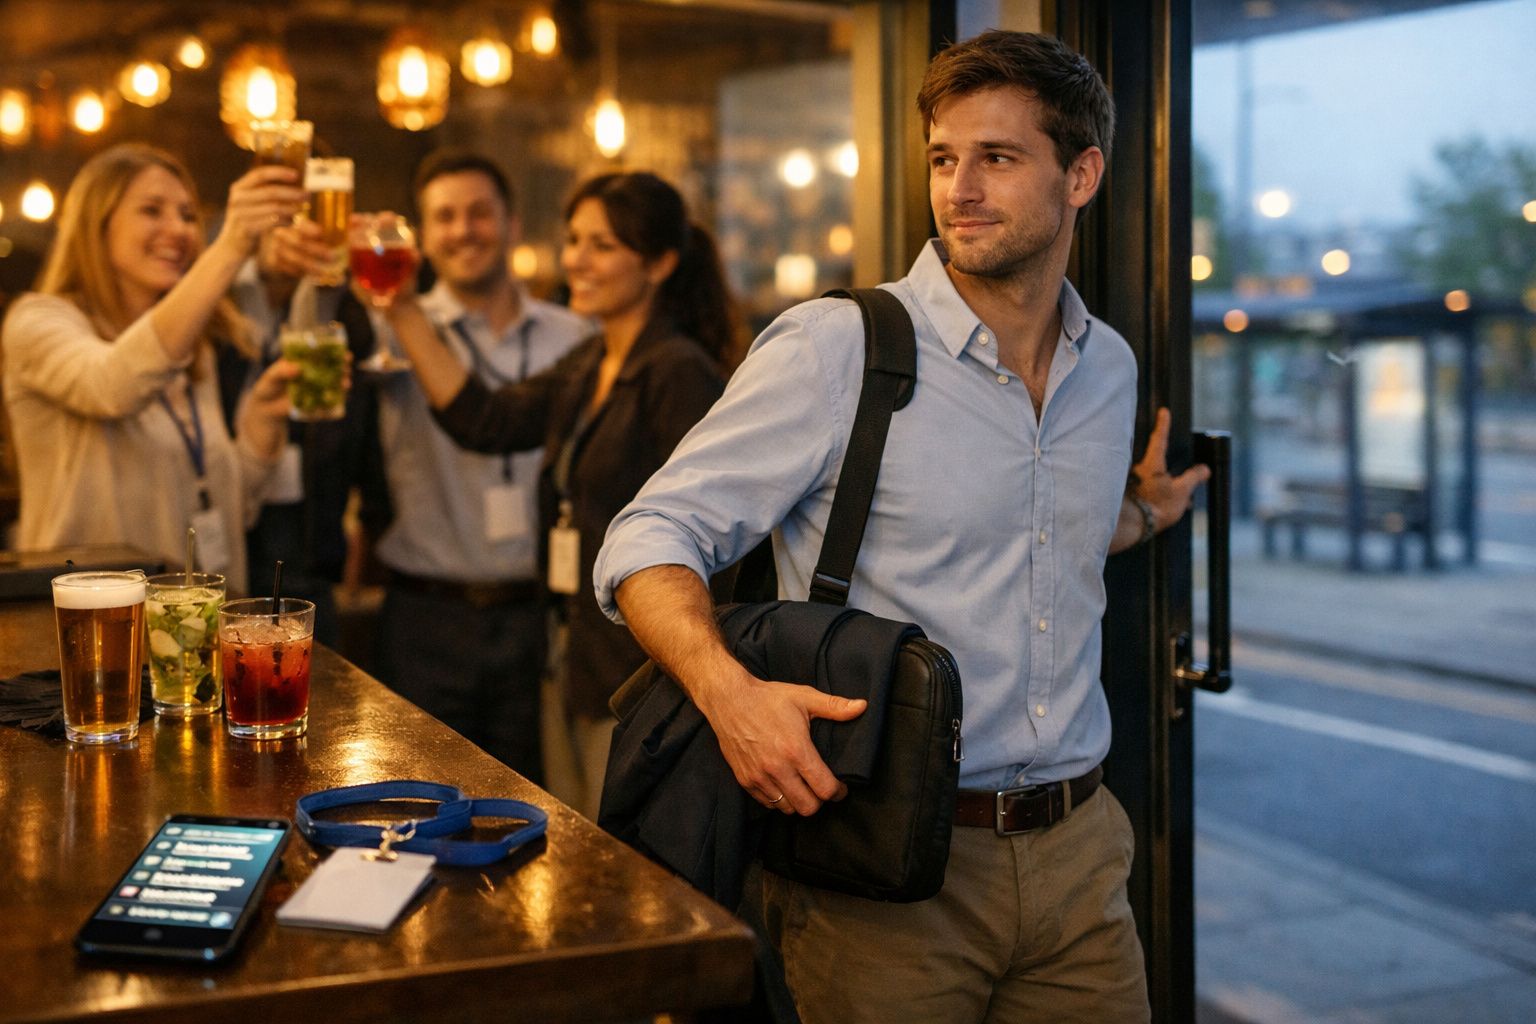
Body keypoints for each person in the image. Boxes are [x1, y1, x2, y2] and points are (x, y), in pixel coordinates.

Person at [593, 31, 1209, 1023]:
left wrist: (1142, 508)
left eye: (997, 158)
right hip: (881, 870)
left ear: (1082, 174)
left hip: (1080, 855)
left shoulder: (1110, 370)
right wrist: (730, 695)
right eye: (943, 159)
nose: (959, 187)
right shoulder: (840, 346)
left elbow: (1047, 542)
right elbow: (648, 538)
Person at [376, 171, 736, 817]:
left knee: (623, 858)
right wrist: (402, 308)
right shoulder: (591, 359)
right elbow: (485, 422)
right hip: (572, 658)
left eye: (601, 245)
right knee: (573, 836)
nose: (576, 260)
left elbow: (713, 537)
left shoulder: (676, 371)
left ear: (658, 263)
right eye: (573, 240)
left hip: (639, 667)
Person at [358, 150, 589, 782]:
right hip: (425, 619)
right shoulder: (389, 334)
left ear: (513, 225)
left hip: (536, 620)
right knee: (418, 806)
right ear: (424, 237)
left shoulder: (575, 338)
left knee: (532, 809)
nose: (464, 230)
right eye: (445, 217)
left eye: (480, 213)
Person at [1, 143, 305, 595]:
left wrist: (261, 421)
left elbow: (226, 506)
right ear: (96, 224)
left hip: (193, 627)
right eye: (152, 210)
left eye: (186, 215)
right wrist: (233, 246)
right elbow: (111, 385)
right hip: (93, 630)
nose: (177, 229)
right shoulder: (39, 320)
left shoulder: (191, 348)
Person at [221, 223, 378, 646]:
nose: (302, 232)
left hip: (312, 548)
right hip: (226, 546)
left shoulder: (343, 308)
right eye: (286, 219)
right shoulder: (219, 297)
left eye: (314, 218)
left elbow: (366, 433)